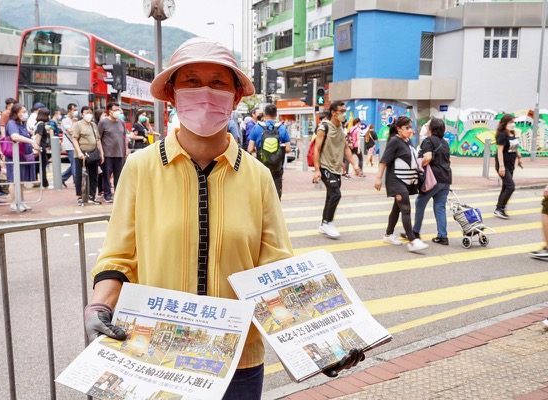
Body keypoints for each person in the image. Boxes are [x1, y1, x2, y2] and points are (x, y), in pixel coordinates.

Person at [83, 38, 364, 400]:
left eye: (218, 82)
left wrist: (319, 341)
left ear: (235, 98)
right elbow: (119, 257)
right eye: (191, 81)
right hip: (158, 355)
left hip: (239, 365)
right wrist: (101, 304)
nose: (204, 92)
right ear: (171, 94)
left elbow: (276, 269)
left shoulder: (259, 177)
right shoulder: (140, 168)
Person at [374, 116, 429, 252]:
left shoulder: (407, 141)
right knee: (406, 209)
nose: (410, 130)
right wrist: (378, 178)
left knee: (397, 208)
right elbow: (384, 161)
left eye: (411, 127)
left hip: (406, 181)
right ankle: (412, 241)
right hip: (396, 181)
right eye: (407, 128)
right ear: (398, 129)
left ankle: (388, 234)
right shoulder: (394, 141)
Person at [313, 101, 361, 239]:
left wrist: (355, 165)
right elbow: (317, 148)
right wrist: (317, 170)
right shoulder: (324, 127)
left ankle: (323, 223)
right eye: (342, 111)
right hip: (325, 166)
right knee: (336, 194)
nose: (344, 114)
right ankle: (328, 222)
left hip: (336, 167)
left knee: (330, 195)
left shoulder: (341, 128)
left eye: (345, 111)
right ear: (334, 112)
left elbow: (346, 148)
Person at [412, 118, 452, 245]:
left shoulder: (428, 141)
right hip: (446, 178)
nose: (426, 127)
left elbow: (428, 157)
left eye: (427, 125)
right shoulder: (445, 143)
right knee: (440, 206)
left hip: (433, 179)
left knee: (420, 202)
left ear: (431, 128)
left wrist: (419, 165)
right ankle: (442, 236)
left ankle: (415, 232)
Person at [247, 103, 291, 200]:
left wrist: (259, 150)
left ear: (264, 114)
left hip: (261, 167)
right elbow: (288, 149)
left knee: (261, 196)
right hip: (277, 167)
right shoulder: (282, 128)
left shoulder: (257, 127)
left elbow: (250, 149)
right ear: (276, 115)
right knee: (276, 196)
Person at [4, 103, 40, 212]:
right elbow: (14, 136)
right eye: (23, 112)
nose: (25, 114)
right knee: (14, 180)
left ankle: (21, 202)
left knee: (21, 180)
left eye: (26, 111)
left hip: (23, 155)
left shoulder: (22, 124)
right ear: (16, 113)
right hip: (14, 156)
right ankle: (14, 203)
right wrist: (31, 141)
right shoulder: (11, 123)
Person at [72, 106, 104, 205]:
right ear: (82, 114)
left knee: (94, 175)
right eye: (86, 112)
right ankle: (80, 196)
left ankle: (92, 196)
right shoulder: (78, 125)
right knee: (80, 176)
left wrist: (101, 153)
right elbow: (74, 139)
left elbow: (98, 139)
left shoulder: (93, 125)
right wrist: (79, 152)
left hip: (93, 154)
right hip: (82, 155)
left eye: (90, 112)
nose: (89, 114)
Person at [98, 102, 128, 203]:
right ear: (109, 112)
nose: (117, 112)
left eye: (118, 110)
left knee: (119, 175)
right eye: (115, 110)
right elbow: (99, 138)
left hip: (119, 153)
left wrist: (126, 149)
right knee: (106, 175)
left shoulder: (121, 122)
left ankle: (118, 194)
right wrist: (101, 153)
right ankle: (107, 194)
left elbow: (124, 137)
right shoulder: (103, 123)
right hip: (107, 154)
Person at [494, 114, 522, 219]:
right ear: (505, 123)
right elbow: (500, 151)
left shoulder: (512, 133)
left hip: (511, 164)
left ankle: (499, 208)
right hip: (503, 165)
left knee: (506, 186)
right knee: (511, 186)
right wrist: (501, 166)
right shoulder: (501, 135)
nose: (513, 124)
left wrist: (519, 157)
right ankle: (500, 208)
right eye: (511, 122)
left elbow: (514, 146)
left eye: (514, 122)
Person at [33, 107, 52, 188]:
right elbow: (38, 136)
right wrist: (37, 148)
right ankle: (45, 184)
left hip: (38, 147)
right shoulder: (41, 124)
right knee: (43, 165)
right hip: (41, 147)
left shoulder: (37, 123)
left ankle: (36, 181)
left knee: (38, 165)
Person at [61, 103, 78, 188]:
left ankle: (62, 178)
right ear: (69, 110)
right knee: (74, 164)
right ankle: (76, 182)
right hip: (70, 145)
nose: (76, 112)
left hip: (76, 145)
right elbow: (70, 131)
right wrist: (74, 123)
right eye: (74, 110)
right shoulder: (65, 120)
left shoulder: (74, 119)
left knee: (74, 164)